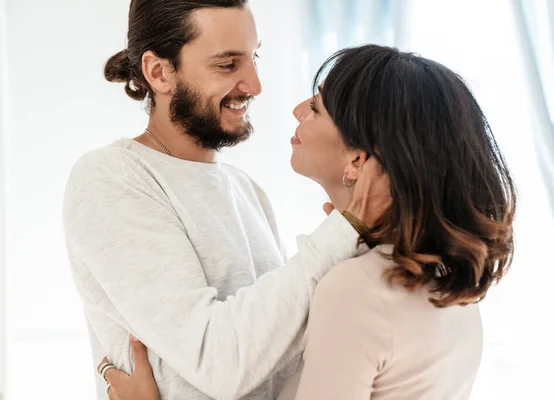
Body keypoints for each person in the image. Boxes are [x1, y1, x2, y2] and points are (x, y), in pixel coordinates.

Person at [100, 45, 517, 399]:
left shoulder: (356, 288)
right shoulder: (450, 285)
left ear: (357, 160)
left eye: (317, 107)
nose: (298, 109)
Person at [62, 1, 389, 400]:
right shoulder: (112, 178)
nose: (254, 85)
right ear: (159, 72)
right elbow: (220, 366)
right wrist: (346, 227)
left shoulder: (247, 191)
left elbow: (276, 365)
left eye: (253, 58)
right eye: (227, 65)